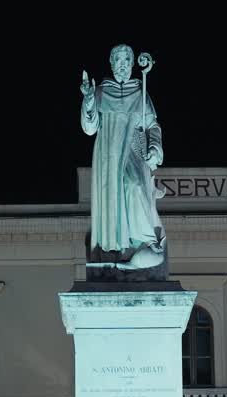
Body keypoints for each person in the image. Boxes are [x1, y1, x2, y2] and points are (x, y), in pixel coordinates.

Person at [80, 44, 164, 262]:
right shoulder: (101, 91)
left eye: (128, 60)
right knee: (113, 195)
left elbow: (152, 125)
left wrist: (154, 147)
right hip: (108, 153)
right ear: (111, 63)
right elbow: (89, 129)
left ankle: (143, 240)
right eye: (119, 60)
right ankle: (117, 247)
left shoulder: (140, 91)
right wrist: (88, 100)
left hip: (133, 149)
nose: (124, 65)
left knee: (135, 185)